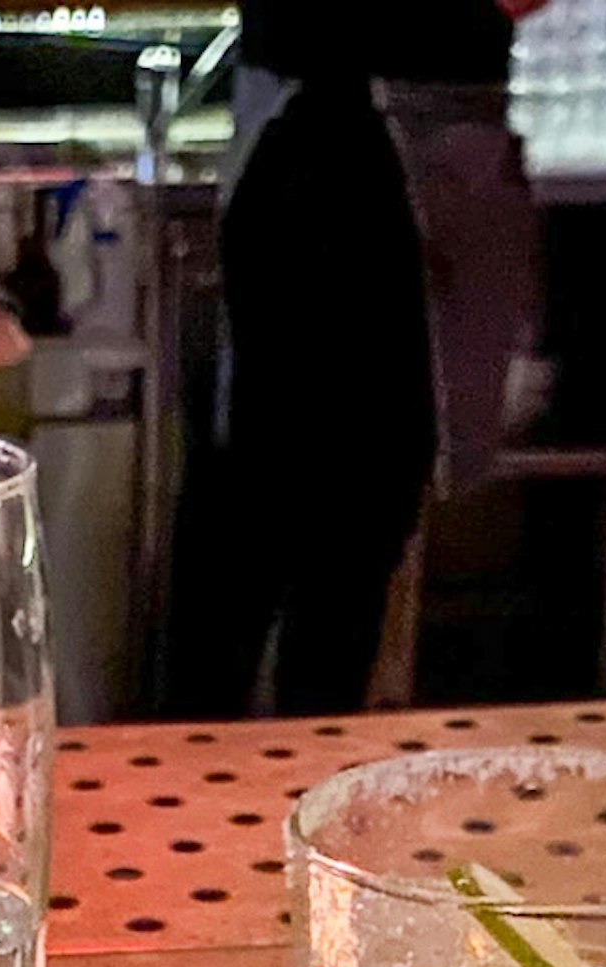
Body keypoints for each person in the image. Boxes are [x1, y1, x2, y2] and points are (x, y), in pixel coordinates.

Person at [168, 0, 547, 716]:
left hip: (376, 126)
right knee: (316, 523)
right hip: (347, 133)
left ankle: (245, 768)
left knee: (295, 521)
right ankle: (260, 772)